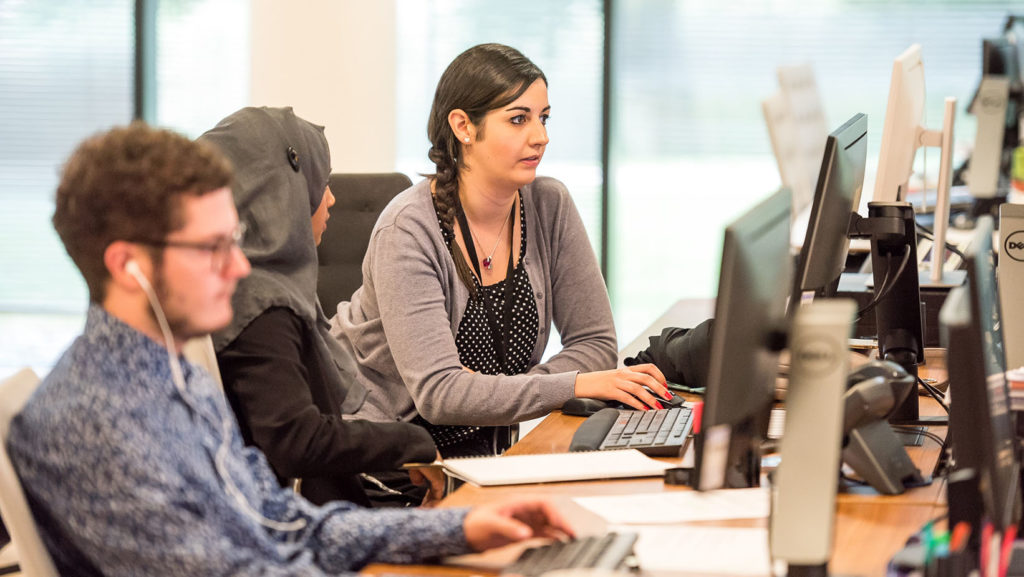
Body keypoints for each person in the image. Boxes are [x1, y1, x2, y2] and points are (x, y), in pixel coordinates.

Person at [6, 122, 573, 575]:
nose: (237, 266)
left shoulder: (173, 379)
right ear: (128, 266)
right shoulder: (96, 421)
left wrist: (458, 528)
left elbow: (283, 521)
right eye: (211, 247)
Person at [330, 43, 672, 457]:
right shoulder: (409, 229)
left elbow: (595, 343)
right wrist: (572, 384)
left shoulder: (549, 205)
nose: (541, 137)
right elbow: (440, 394)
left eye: (543, 118)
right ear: (463, 127)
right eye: (518, 119)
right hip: (391, 461)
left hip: (487, 454)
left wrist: (498, 392)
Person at [200, 107, 441, 508]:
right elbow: (296, 441)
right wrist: (411, 442)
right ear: (281, 193)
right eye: (320, 182)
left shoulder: (253, 287)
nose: (331, 197)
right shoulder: (261, 305)